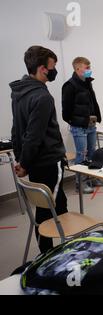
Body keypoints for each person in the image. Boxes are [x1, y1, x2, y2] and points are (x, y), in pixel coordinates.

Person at [10, 46, 68, 253]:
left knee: (51, 206)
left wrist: (22, 161)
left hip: (35, 163)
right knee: (52, 210)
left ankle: (57, 252)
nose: (54, 71)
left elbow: (17, 130)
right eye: (53, 67)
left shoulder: (19, 93)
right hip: (49, 163)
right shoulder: (42, 97)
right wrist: (24, 162)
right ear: (43, 69)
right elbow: (32, 136)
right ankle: (52, 255)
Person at [62, 57, 102, 194]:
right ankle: (81, 183)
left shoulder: (87, 83)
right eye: (87, 67)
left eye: (90, 67)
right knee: (81, 155)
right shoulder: (70, 85)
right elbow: (66, 111)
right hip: (79, 126)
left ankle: (91, 178)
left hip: (91, 124)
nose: (89, 70)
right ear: (78, 69)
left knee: (92, 153)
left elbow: (91, 103)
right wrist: (74, 122)